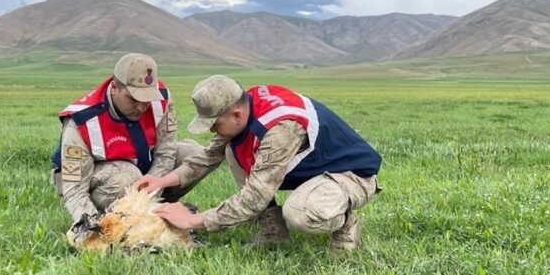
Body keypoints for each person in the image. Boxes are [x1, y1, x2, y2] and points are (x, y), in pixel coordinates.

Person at [134, 75, 382, 251]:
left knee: (300, 213)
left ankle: (345, 222)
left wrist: (193, 221)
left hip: (349, 176)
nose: (212, 132)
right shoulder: (244, 105)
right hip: (315, 173)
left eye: (214, 124)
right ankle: (273, 232)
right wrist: (161, 181)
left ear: (236, 115)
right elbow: (208, 157)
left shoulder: (280, 130)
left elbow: (254, 196)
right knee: (233, 150)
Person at [50, 53, 203, 242]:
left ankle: (154, 212)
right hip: (96, 179)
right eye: (133, 99)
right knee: (128, 176)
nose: (141, 107)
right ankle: (113, 219)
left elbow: (166, 151)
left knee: (195, 154)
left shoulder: (161, 98)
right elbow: (74, 189)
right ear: (114, 88)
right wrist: (92, 228)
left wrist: (150, 195)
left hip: (142, 164)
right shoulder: (82, 121)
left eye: (146, 99)